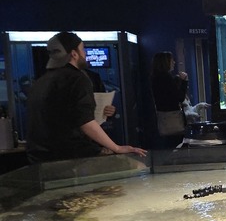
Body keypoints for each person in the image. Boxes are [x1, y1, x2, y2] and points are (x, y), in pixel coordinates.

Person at [26, 31, 147, 164]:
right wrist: (116, 148)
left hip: (40, 158)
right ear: (74, 53)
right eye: (82, 49)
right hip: (70, 157)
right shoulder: (77, 78)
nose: (84, 54)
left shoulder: (41, 81)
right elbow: (85, 121)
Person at [151, 51, 189, 147]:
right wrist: (184, 81)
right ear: (166, 62)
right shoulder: (167, 78)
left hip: (161, 116)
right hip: (172, 117)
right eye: (172, 61)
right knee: (176, 143)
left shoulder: (154, 78)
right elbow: (180, 97)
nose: (174, 63)